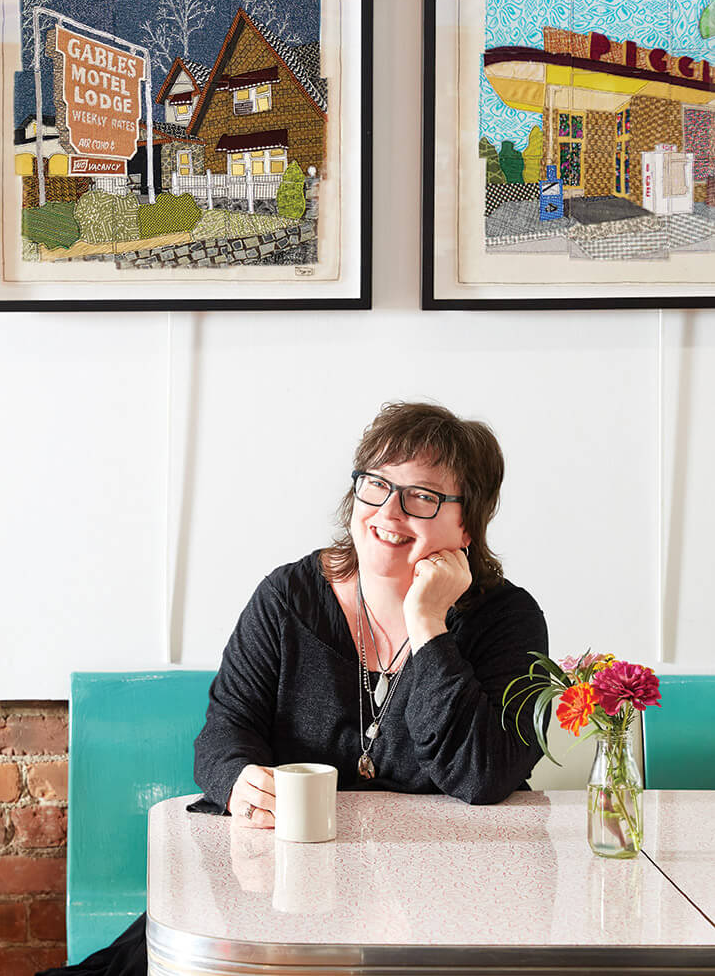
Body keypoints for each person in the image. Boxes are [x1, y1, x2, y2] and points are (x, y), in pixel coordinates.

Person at [39, 401, 547, 976]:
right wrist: (237, 781)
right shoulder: (288, 598)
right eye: (375, 485)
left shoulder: (508, 619)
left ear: (467, 521)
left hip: (446, 910)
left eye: (422, 496)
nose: (389, 511)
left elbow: (485, 776)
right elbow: (224, 732)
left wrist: (429, 624)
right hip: (279, 897)